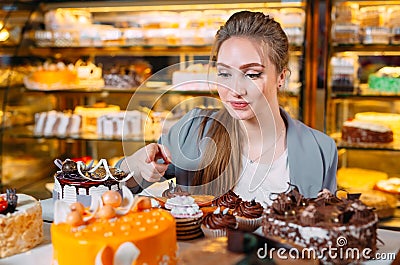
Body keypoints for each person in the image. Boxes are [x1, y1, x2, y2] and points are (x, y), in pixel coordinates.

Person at [119, 11, 337, 206]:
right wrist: (135, 166)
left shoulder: (320, 149)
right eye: (224, 73)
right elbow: (107, 193)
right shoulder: (195, 130)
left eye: (252, 74)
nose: (234, 89)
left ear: (281, 77)